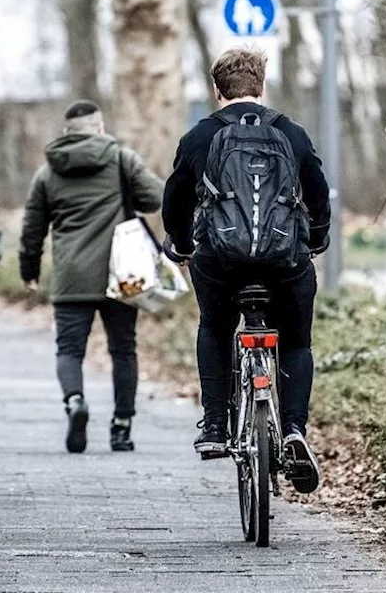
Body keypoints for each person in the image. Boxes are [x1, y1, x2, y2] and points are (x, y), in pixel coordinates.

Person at [161, 48, 331, 494]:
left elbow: (174, 200)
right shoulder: (289, 133)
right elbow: (317, 191)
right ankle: (293, 429)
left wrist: (181, 244)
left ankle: (216, 425)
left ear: (216, 90)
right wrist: (316, 238)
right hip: (285, 261)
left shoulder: (199, 137)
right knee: (295, 340)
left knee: (215, 326)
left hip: (220, 262)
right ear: (262, 85)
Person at [19, 100, 165, 454]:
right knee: (123, 349)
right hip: (122, 274)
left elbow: (32, 229)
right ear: (100, 128)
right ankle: (121, 427)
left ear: (67, 132)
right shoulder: (121, 159)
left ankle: (75, 402)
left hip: (71, 276)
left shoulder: (48, 172)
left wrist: (29, 270)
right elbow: (156, 198)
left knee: (69, 349)